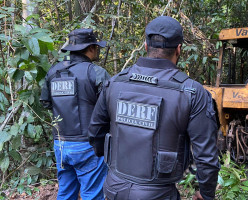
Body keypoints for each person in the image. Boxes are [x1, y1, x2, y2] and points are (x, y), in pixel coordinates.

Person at [88, 16, 220, 200]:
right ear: (179, 49)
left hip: (114, 189)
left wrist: (117, 167)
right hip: (159, 194)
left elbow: (95, 134)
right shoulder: (192, 92)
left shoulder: (115, 83)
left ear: (145, 46)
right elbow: (206, 157)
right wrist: (206, 194)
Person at [40, 28, 110, 200]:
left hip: (61, 145)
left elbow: (46, 103)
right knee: (92, 194)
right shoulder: (96, 72)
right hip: (88, 145)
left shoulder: (53, 72)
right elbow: (111, 108)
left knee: (65, 192)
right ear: (91, 48)